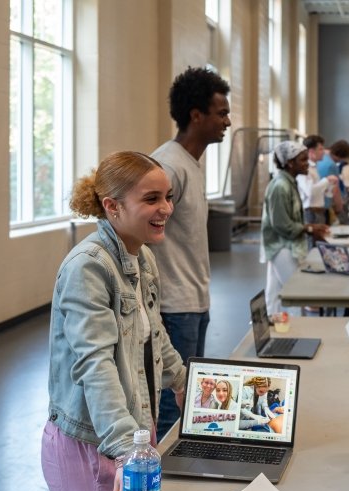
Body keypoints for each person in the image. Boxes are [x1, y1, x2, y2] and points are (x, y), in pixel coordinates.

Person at [42, 151, 187, 491]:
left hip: (135, 435)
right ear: (112, 206)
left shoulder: (143, 259)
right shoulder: (88, 267)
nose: (166, 209)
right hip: (94, 446)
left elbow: (153, 333)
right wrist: (127, 451)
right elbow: (96, 365)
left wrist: (186, 381)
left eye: (168, 196)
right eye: (152, 199)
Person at [149, 66, 231, 440]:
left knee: (189, 400)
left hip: (195, 302)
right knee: (173, 405)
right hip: (173, 307)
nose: (227, 121)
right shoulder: (167, 166)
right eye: (221, 113)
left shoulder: (191, 164)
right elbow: (142, 235)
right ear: (196, 115)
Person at [261, 141, 330, 315]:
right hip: (281, 247)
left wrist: (311, 228)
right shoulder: (280, 186)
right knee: (294, 293)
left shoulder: (289, 183)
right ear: (290, 163)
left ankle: (273, 329)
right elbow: (281, 224)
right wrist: (309, 229)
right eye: (303, 160)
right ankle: (296, 335)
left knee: (274, 294)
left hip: (282, 245)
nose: (307, 163)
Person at [299, 135, 339, 233]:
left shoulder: (314, 167)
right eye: (320, 149)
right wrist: (326, 180)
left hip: (318, 211)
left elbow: (322, 192)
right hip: (310, 212)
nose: (324, 152)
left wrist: (329, 186)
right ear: (312, 152)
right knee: (312, 243)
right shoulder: (305, 169)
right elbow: (309, 191)